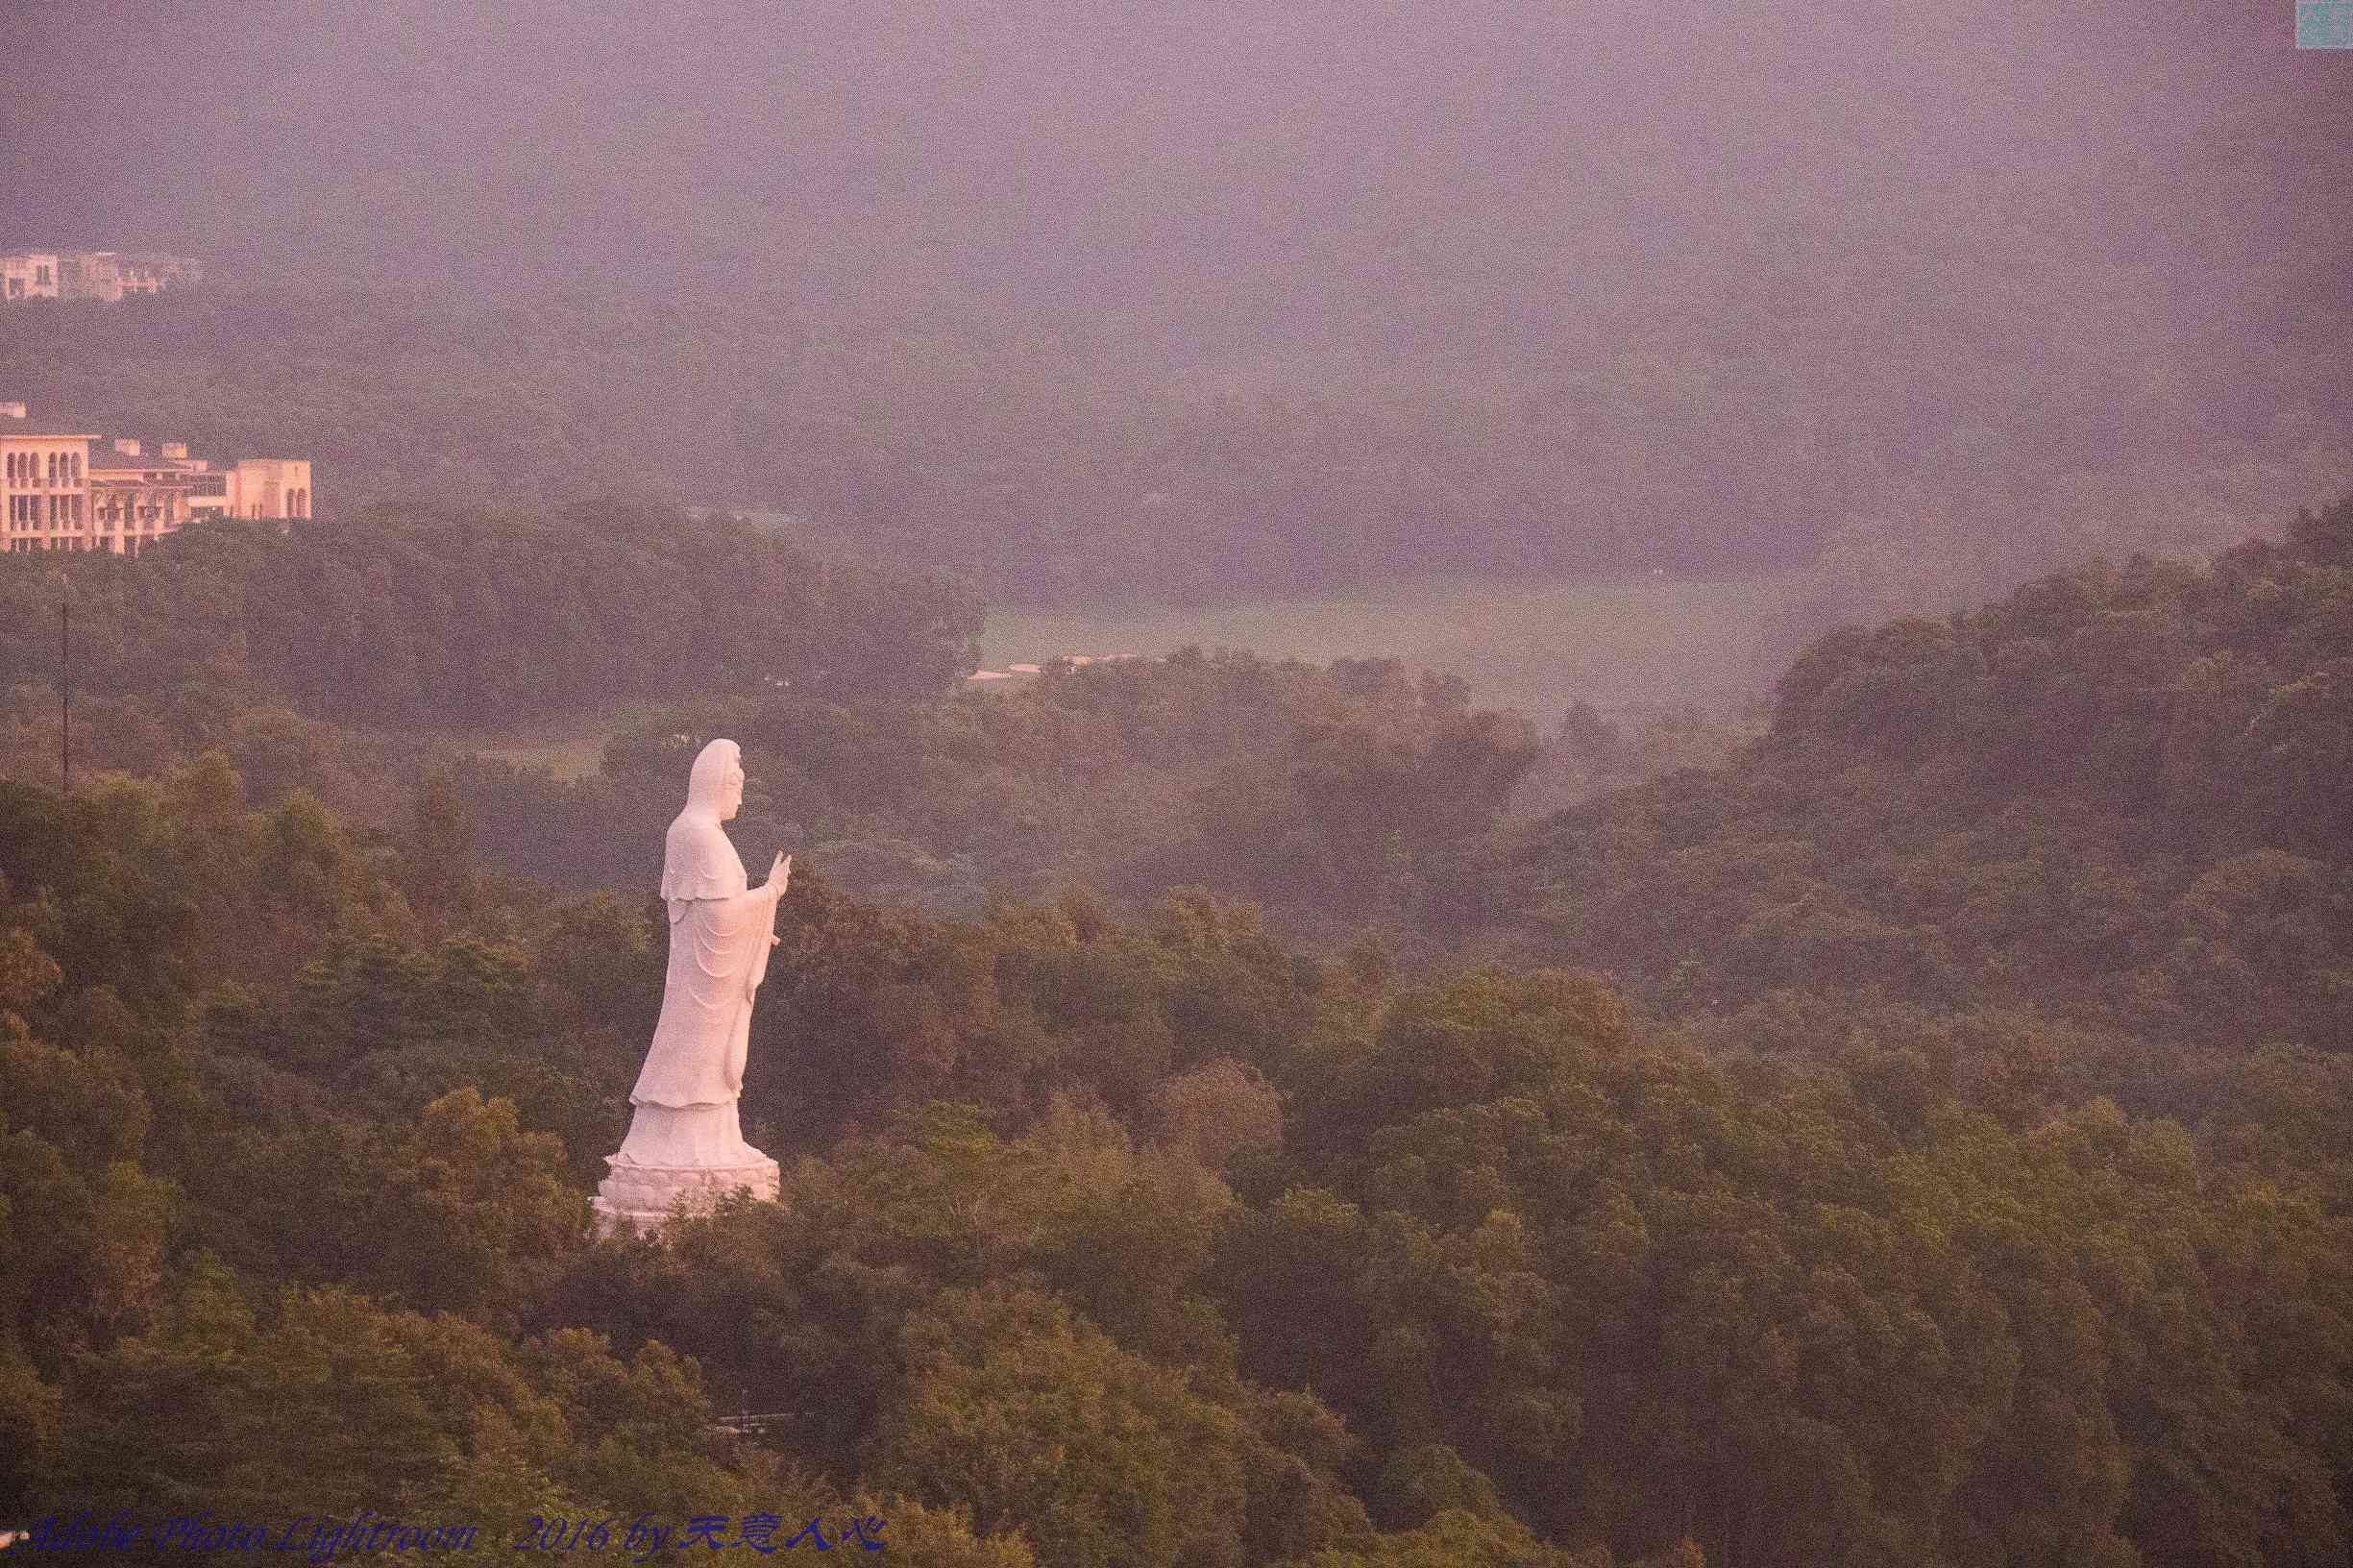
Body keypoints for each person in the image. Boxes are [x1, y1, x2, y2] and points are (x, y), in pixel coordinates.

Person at [609, 737, 791, 1170]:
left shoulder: (702, 833)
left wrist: (755, 932)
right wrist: (770, 894)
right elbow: (719, 917)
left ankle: (716, 1139)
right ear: (715, 784)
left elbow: (720, 915)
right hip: (701, 986)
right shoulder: (695, 833)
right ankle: (678, 1146)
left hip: (710, 979)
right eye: (736, 786)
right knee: (693, 1058)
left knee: (712, 1070)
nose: (739, 795)